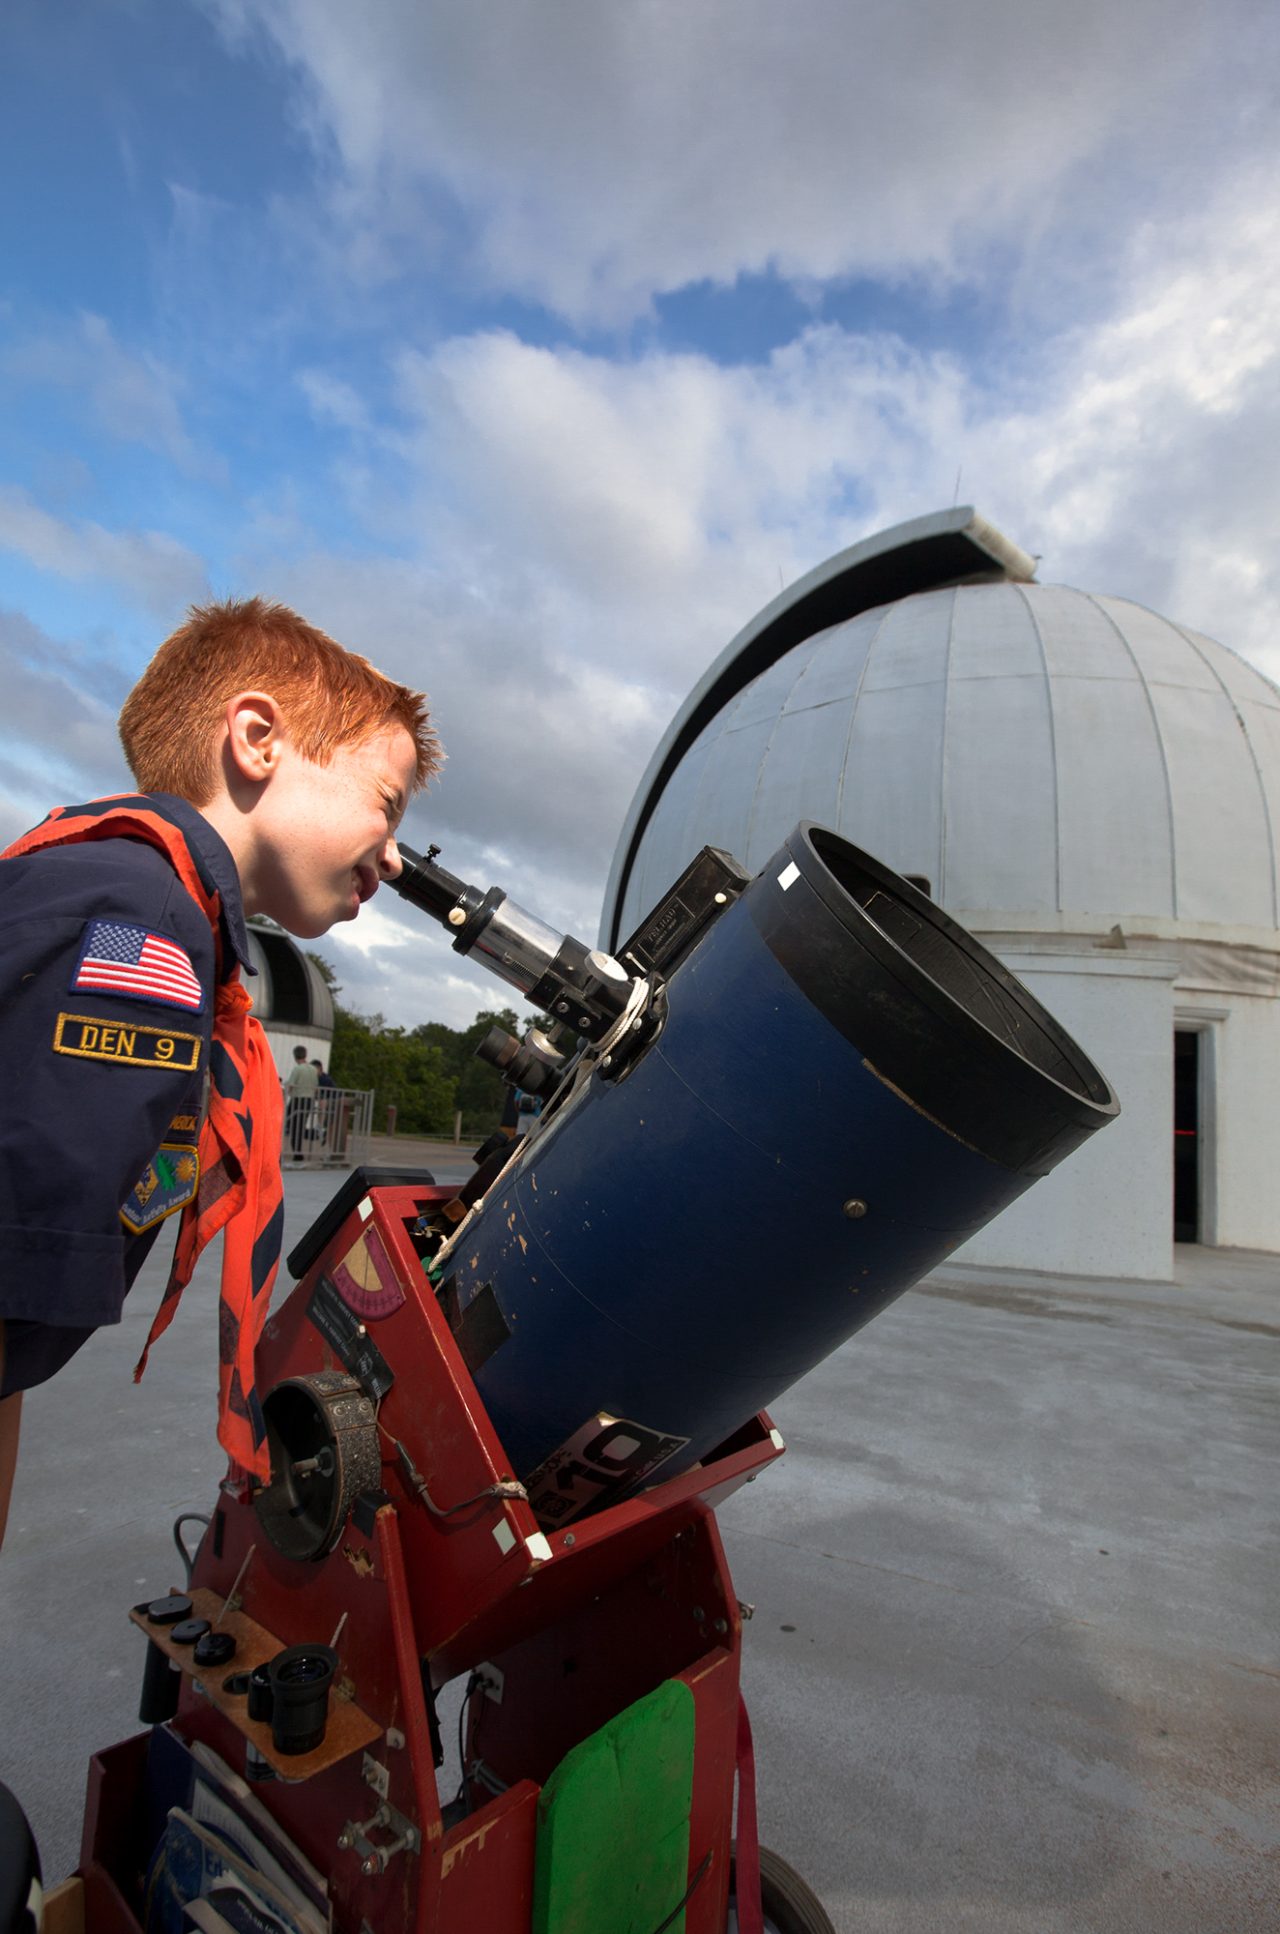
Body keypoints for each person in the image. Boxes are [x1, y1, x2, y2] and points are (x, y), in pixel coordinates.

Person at [0, 596, 441, 1548]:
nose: (396, 859)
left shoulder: (129, 894)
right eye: (387, 804)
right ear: (257, 739)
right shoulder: (143, 921)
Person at [283, 1043, 320, 1161]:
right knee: (300, 1125)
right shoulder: (313, 1069)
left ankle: (296, 1152)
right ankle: (298, 1152)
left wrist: (287, 1092)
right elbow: (316, 1085)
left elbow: (291, 1084)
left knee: (291, 1125)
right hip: (309, 1100)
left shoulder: (297, 1069)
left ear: (295, 1056)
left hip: (298, 1099)